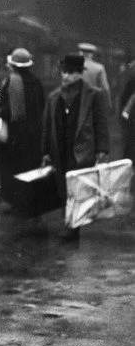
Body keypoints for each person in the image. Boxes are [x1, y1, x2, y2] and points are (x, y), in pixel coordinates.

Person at [41, 55, 109, 241]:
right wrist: (46, 152)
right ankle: (68, 221)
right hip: (60, 149)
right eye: (64, 72)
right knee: (63, 187)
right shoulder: (54, 97)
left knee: (77, 187)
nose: (66, 76)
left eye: (71, 73)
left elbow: (101, 123)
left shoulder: (94, 95)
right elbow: (47, 127)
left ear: (80, 74)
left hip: (82, 149)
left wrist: (102, 150)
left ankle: (73, 225)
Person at [0, 48, 45, 206]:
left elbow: (6, 109)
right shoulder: (36, 81)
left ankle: (14, 200)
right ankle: (30, 199)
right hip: (33, 132)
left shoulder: (10, 81)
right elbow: (41, 105)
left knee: (11, 166)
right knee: (29, 165)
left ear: (13, 65)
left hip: (14, 133)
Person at [77, 42, 112, 111]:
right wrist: (109, 103)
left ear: (80, 52)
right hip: (92, 103)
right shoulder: (99, 68)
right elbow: (105, 88)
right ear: (91, 54)